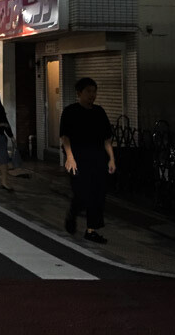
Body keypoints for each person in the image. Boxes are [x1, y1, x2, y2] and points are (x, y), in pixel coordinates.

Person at [61, 77, 116, 244]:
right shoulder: (70, 111)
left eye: (94, 91)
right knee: (82, 193)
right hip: (78, 158)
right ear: (79, 93)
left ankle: (91, 230)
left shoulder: (99, 112)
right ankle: (73, 213)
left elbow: (107, 139)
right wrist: (70, 157)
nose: (92, 95)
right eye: (88, 91)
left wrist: (111, 159)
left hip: (98, 158)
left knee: (98, 194)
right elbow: (65, 137)